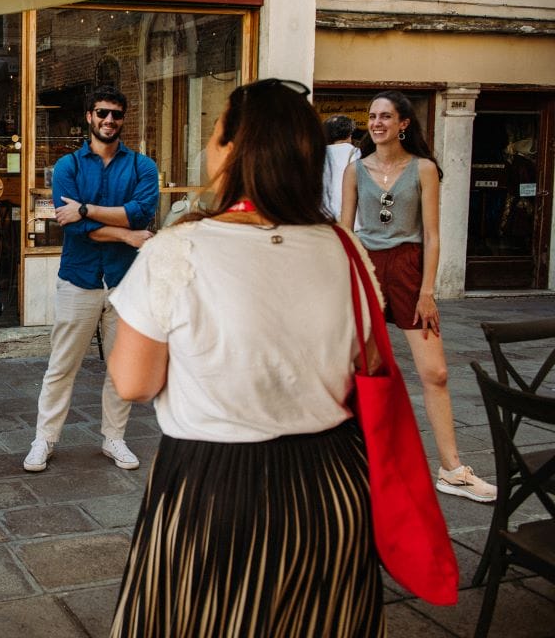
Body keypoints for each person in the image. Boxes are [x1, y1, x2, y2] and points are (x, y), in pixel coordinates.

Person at [108, 78, 384, 636]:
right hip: (333, 484)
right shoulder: (346, 249)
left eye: (214, 134)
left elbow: (133, 382)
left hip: (216, 485)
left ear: (234, 149)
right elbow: (371, 362)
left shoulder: (177, 249)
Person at [341, 90, 496, 503]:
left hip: (410, 270)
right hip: (366, 267)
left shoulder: (423, 168)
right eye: (372, 116)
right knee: (364, 371)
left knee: (437, 373)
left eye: (386, 116)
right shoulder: (355, 170)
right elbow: (344, 230)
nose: (376, 123)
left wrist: (428, 291)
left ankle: (452, 469)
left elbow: (431, 234)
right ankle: (357, 464)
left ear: (403, 123)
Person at [23, 85, 159, 474]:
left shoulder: (141, 166)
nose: (109, 120)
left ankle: (113, 438)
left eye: (116, 114)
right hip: (79, 279)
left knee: (120, 367)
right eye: (102, 113)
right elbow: (75, 229)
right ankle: (44, 439)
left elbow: (140, 213)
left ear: (123, 119)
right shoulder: (68, 166)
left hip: (124, 282)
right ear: (89, 116)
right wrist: (125, 234)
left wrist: (86, 209)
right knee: (62, 365)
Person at [322, 114, 359, 219]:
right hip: (352, 220)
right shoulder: (358, 154)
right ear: (350, 134)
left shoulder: (317, 155)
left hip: (324, 220)